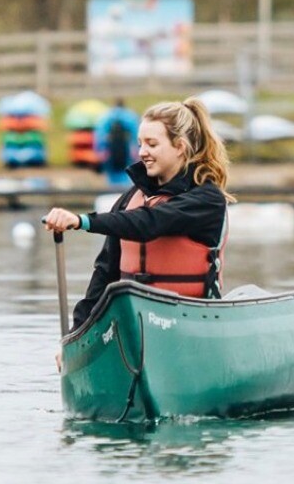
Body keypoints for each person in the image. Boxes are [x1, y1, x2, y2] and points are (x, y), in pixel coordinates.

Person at [42, 98, 235, 322]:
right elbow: (105, 271)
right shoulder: (131, 198)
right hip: (136, 321)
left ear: (180, 147)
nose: (142, 152)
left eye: (152, 144)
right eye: (140, 143)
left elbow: (149, 223)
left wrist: (81, 221)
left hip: (194, 318)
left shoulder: (206, 199)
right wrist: (78, 336)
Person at [94, 98, 139, 189]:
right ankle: (124, 189)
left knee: (111, 173)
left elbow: (99, 135)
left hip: (110, 148)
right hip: (125, 148)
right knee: (126, 171)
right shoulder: (130, 116)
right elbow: (136, 134)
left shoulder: (106, 116)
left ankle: (112, 188)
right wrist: (136, 150)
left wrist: (100, 150)